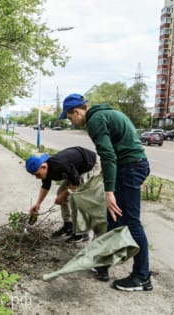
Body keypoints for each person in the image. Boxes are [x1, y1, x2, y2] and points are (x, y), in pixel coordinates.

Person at [60, 93, 153, 291]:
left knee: (131, 222)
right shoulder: (105, 114)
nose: (72, 122)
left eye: (70, 118)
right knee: (112, 219)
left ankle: (142, 277)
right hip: (131, 166)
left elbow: (108, 156)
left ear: (77, 111)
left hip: (129, 168)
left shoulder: (95, 120)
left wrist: (109, 191)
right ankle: (102, 264)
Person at [25, 147, 109, 281]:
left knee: (77, 198)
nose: (37, 177)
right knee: (61, 193)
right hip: (75, 170)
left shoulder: (60, 165)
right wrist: (38, 204)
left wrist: (64, 195)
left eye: (37, 174)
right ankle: (69, 225)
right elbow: (45, 186)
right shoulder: (47, 170)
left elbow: (75, 183)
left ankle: (82, 233)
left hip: (89, 166)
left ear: (44, 166)